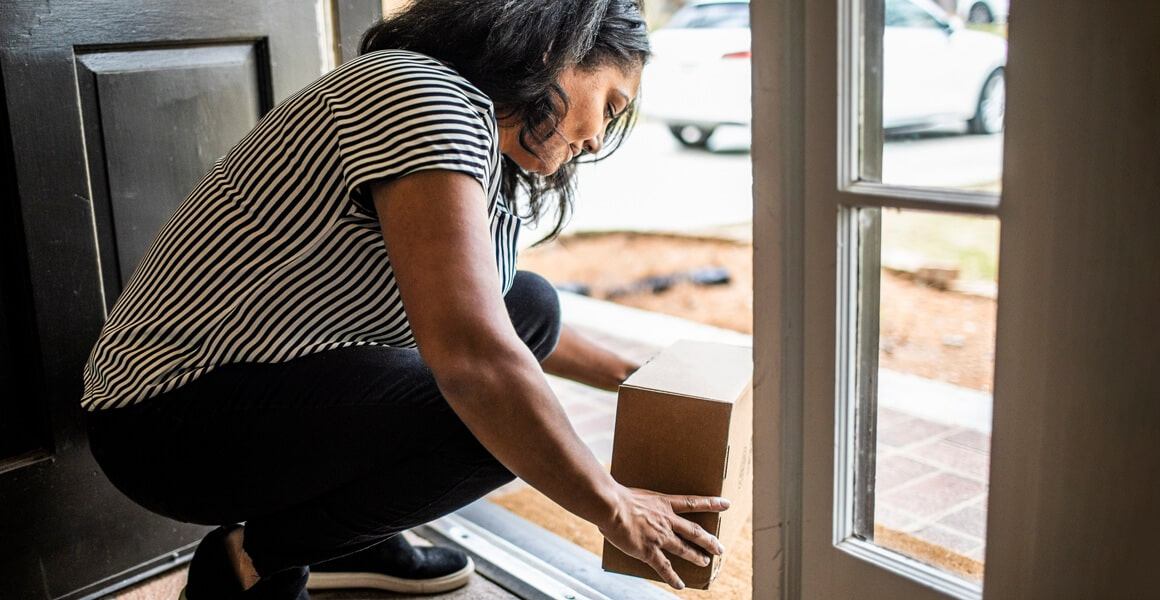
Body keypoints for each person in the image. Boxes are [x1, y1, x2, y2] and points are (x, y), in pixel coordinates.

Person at [80, 1, 731, 598]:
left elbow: (500, 318)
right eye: (611, 105)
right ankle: (250, 558)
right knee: (493, 426)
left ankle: (343, 542)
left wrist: (636, 379)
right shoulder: (423, 99)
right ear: (551, 50)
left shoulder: (474, 132)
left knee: (530, 304)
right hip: (165, 422)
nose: (596, 139)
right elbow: (475, 361)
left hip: (257, 385)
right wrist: (614, 507)